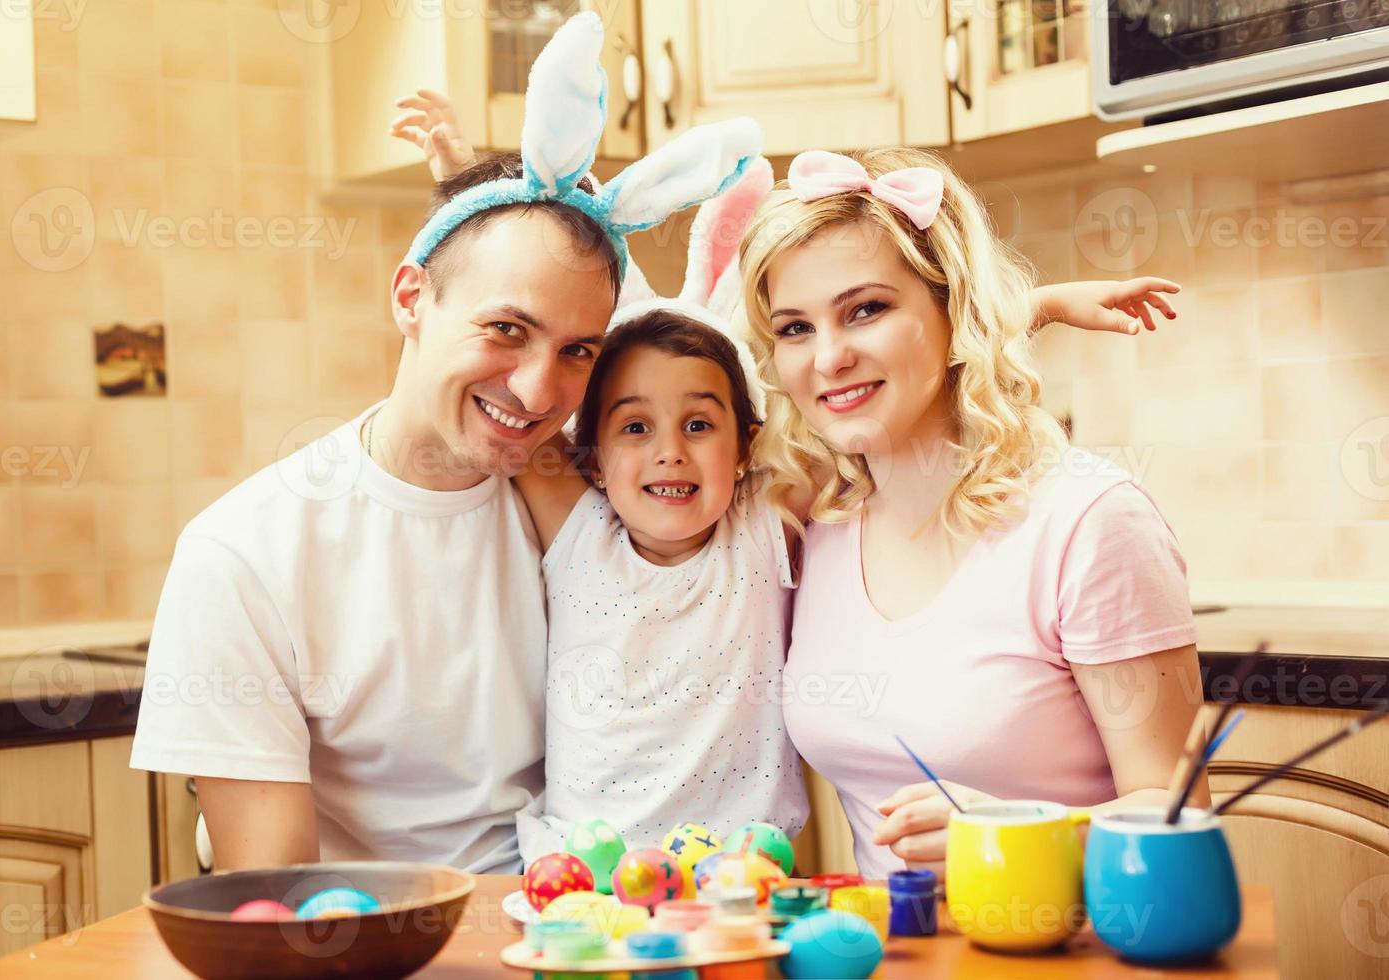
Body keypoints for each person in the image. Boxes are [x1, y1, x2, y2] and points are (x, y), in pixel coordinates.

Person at [129, 14, 761, 872]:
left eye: (578, 351)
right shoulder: (243, 556)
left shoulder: (603, 510)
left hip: (589, 933)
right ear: (410, 298)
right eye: (505, 329)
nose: (539, 392)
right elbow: (273, 901)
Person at [739, 148, 1204, 881]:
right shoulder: (820, 518)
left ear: (954, 309)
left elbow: (1177, 812)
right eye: (795, 327)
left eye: (866, 309)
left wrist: (1006, 835)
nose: (827, 359)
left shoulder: (1089, 521)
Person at [512, 161, 809, 860]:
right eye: (635, 427)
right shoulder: (576, 530)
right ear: (589, 455)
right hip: (581, 882)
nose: (670, 452)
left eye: (700, 425)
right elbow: (517, 392)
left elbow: (884, 398)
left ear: (747, 448)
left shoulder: (764, 524)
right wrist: (457, 173)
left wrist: (1040, 307)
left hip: (739, 884)